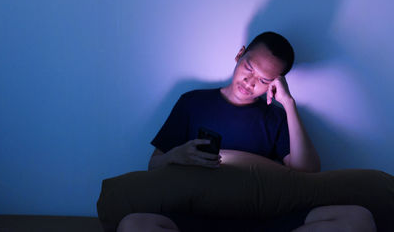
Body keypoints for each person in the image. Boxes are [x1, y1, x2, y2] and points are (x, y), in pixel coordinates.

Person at [117, 32, 376, 232]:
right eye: (249, 68)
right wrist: (176, 155)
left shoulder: (275, 116)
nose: (251, 82)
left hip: (262, 219)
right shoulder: (192, 102)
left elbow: (308, 174)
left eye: (264, 80)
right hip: (198, 218)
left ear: (276, 83)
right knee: (133, 224)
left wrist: (288, 103)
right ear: (240, 55)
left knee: (358, 219)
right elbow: (154, 165)